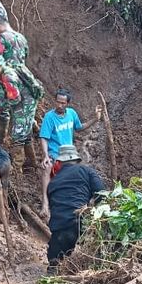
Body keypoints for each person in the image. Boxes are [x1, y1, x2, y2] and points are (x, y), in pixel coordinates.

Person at [39, 89, 102, 218]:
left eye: (63, 103)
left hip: (70, 154)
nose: (59, 105)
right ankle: (45, 204)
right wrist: (45, 155)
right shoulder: (49, 117)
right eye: (58, 102)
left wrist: (95, 119)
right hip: (55, 153)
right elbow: (44, 137)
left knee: (81, 173)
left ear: (67, 103)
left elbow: (79, 128)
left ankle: (83, 204)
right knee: (47, 169)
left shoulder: (72, 114)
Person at [46, 145, 105, 273]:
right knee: (94, 260)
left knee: (54, 264)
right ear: (77, 160)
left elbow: (54, 207)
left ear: (59, 162)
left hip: (59, 229)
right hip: (81, 224)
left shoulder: (53, 182)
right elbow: (102, 194)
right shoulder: (87, 171)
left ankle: (53, 271)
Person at [0, 54, 42, 178]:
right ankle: (32, 163)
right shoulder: (4, 70)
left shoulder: (8, 77)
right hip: (22, 101)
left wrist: (1, 106)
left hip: (26, 103)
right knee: (24, 134)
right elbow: (0, 85)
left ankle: (16, 170)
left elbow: (15, 99)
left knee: (18, 135)